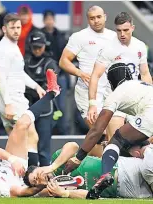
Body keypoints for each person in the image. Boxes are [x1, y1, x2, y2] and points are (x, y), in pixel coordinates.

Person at [62, 64, 153, 199]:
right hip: (148, 116)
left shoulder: (115, 95)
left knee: (116, 140)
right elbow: (136, 131)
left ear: (111, 83)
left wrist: (78, 157)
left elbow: (96, 130)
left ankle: (105, 175)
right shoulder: (140, 85)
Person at [0, 68, 61, 197]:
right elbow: (22, 192)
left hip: (11, 164)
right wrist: (40, 186)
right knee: (51, 189)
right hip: (22, 177)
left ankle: (52, 92)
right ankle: (65, 185)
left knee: (25, 128)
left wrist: (12, 160)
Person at [59, 6, 116, 156]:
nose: (96, 21)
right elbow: (63, 61)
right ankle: (95, 171)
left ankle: (100, 169)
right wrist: (80, 73)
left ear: (105, 16)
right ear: (87, 19)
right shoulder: (79, 37)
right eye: (92, 18)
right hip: (87, 92)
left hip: (110, 91)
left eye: (98, 17)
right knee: (98, 132)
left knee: (112, 136)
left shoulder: (114, 37)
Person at [88, 12, 152, 140]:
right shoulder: (108, 48)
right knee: (115, 140)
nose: (122, 34)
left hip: (135, 100)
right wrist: (92, 103)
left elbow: (145, 73)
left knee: (145, 139)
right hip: (115, 101)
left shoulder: (140, 46)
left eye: (126, 30)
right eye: (118, 31)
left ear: (132, 28)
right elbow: (95, 75)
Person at [0, 13, 46, 167]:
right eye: (12, 28)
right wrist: (8, 103)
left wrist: (36, 86)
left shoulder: (12, 46)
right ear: (4, 29)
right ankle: (32, 176)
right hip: (11, 100)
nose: (16, 31)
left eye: (18, 27)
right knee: (32, 136)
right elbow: (0, 78)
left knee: (16, 140)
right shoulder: (3, 49)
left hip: (12, 99)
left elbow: (18, 74)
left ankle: (13, 175)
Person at [23, 141, 153, 199]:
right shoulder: (55, 191)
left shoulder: (58, 160)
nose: (39, 179)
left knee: (149, 167)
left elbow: (73, 146)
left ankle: (147, 147)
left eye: (37, 175)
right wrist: (62, 193)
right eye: (36, 182)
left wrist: (53, 167)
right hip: (125, 190)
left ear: (40, 167)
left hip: (123, 169)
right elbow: (89, 197)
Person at [24, 31, 60, 166]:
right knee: (27, 145)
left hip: (45, 110)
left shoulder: (50, 62)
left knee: (44, 148)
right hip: (27, 108)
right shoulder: (25, 61)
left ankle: (45, 175)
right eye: (35, 47)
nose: (38, 50)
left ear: (45, 46)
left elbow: (51, 86)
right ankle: (29, 175)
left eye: (40, 46)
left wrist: (34, 88)